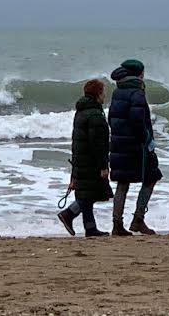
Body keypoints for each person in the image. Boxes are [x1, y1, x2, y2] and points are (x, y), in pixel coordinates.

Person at [108, 59, 163, 236]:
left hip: (119, 144)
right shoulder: (137, 93)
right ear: (139, 73)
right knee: (151, 177)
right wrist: (147, 139)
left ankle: (117, 225)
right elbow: (137, 121)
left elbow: (111, 118)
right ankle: (138, 219)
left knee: (123, 182)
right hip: (136, 147)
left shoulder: (117, 91)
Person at [58, 79, 112, 237]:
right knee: (92, 194)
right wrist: (103, 166)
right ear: (97, 94)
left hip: (80, 159)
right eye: (103, 92)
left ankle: (90, 228)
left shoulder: (81, 112)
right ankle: (68, 213)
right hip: (91, 162)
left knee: (86, 193)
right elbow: (97, 144)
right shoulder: (95, 114)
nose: (104, 95)